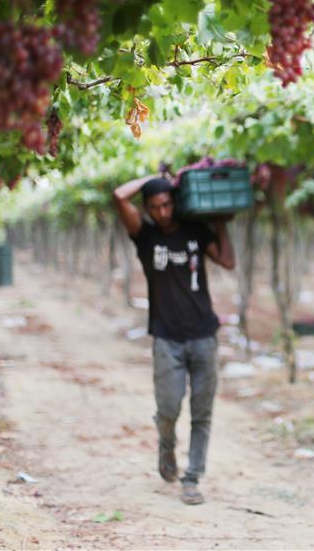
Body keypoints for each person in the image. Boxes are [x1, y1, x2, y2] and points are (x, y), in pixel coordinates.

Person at [113, 175, 235, 505]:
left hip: (203, 336)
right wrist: (155, 178)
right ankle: (166, 447)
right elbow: (119, 195)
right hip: (166, 338)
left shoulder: (194, 231)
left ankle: (192, 478)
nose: (162, 212)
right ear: (148, 210)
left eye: (167, 204)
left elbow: (227, 261)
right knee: (168, 408)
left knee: (202, 412)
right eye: (154, 207)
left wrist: (221, 225)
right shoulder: (146, 236)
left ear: (175, 203)